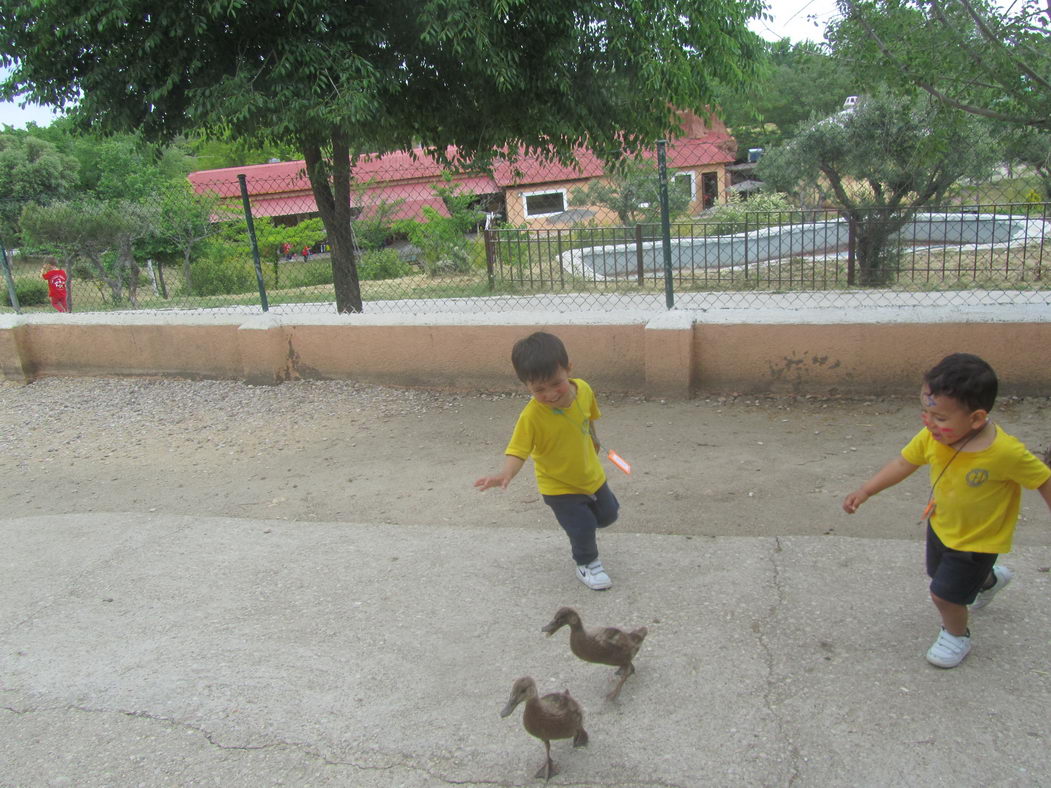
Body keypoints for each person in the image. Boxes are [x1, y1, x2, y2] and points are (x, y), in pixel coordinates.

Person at [843, 353, 1051, 668]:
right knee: (940, 574)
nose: (929, 423)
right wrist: (866, 490)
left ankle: (956, 636)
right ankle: (988, 580)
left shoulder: (1005, 453)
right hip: (942, 526)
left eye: (940, 418)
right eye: (926, 412)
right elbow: (904, 462)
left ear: (977, 419)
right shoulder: (933, 437)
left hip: (978, 540)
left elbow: (1042, 479)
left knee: (944, 595)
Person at [475, 331, 619, 590]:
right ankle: (587, 563)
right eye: (539, 389)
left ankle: (583, 527)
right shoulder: (531, 417)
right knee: (583, 526)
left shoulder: (583, 389)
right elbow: (518, 450)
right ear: (526, 386)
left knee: (608, 516)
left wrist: (596, 441)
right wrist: (505, 474)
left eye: (556, 383)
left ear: (568, 369)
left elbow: (589, 418)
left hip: (591, 476)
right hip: (558, 486)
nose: (551, 394)